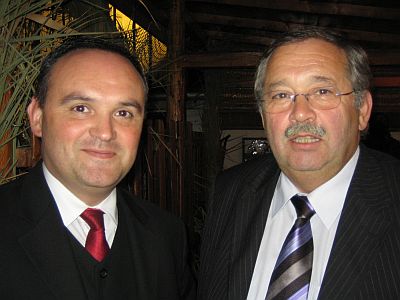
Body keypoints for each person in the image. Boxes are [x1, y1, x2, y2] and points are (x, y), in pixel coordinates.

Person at [198, 28, 400, 299]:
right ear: (262, 115)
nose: (300, 113)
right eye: (281, 95)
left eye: (322, 91)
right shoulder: (230, 191)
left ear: (362, 110)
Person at [0, 36, 195, 299]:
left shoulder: (167, 235)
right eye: (81, 108)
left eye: (123, 113)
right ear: (37, 116)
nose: (105, 133)